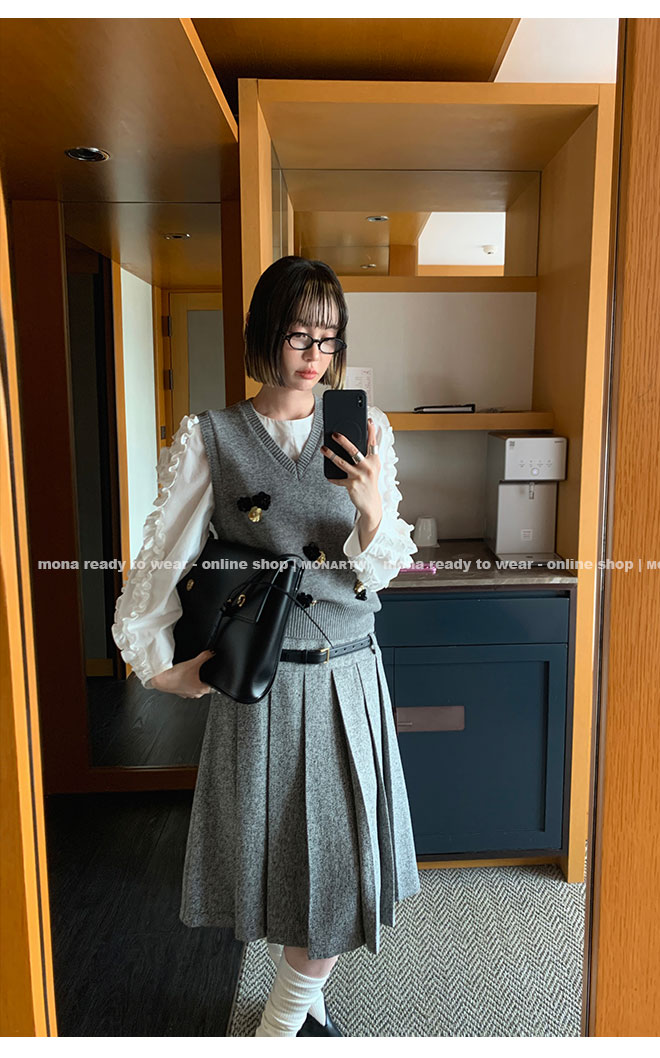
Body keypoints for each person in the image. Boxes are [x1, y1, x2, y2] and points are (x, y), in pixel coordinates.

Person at [112, 255, 421, 1037]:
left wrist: (371, 507)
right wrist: (157, 668)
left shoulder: (368, 432)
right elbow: (161, 560)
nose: (316, 354)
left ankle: (278, 1026)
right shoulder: (211, 437)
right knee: (287, 867)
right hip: (263, 684)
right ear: (265, 335)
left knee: (342, 872)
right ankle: (295, 1018)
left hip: (349, 678)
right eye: (298, 335)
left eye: (329, 337)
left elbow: (381, 574)